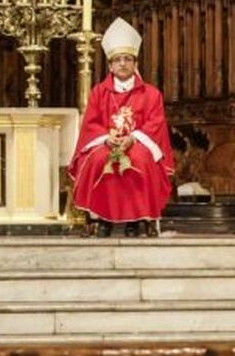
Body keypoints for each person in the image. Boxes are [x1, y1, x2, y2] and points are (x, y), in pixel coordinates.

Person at [69, 18, 175, 236]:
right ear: (110, 65)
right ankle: (101, 219)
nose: (123, 64)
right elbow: (91, 123)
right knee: (99, 159)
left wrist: (133, 138)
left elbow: (155, 122)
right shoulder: (99, 92)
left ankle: (137, 220)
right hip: (107, 142)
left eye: (127, 59)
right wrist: (106, 138)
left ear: (135, 63)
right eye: (118, 60)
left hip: (137, 142)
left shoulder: (151, 93)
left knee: (140, 159)